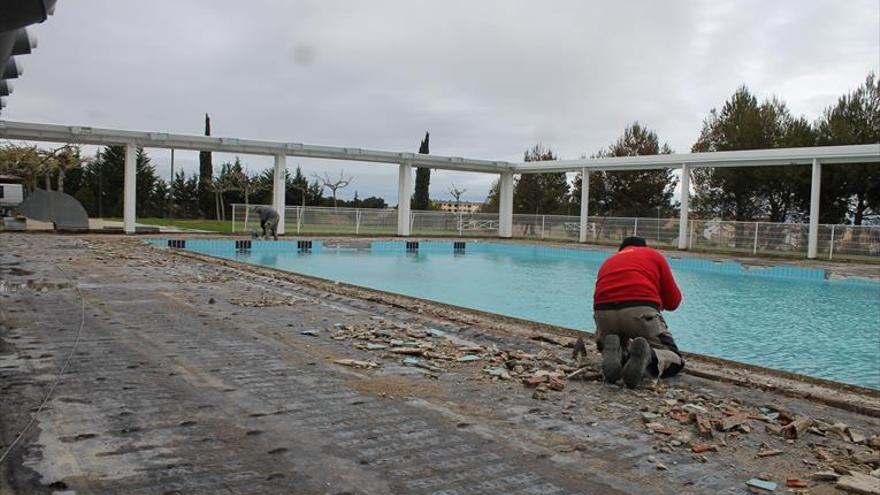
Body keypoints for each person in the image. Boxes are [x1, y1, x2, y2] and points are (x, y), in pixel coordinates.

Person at [593, 236, 684, 388]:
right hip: (639, 311)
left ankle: (619, 353)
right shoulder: (653, 255)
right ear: (644, 246)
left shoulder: (609, 261)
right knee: (676, 359)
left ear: (621, 249)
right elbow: (673, 302)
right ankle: (651, 356)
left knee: (617, 345)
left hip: (603, 314)